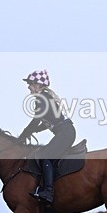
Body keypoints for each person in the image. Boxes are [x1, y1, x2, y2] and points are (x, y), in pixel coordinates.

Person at [18, 69, 76, 204]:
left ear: (38, 85)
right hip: (66, 132)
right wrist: (35, 131)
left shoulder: (41, 99)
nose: (28, 87)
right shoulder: (45, 97)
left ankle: (48, 192)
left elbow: (36, 120)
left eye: (30, 84)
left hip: (65, 133)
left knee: (45, 156)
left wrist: (22, 136)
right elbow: (49, 121)